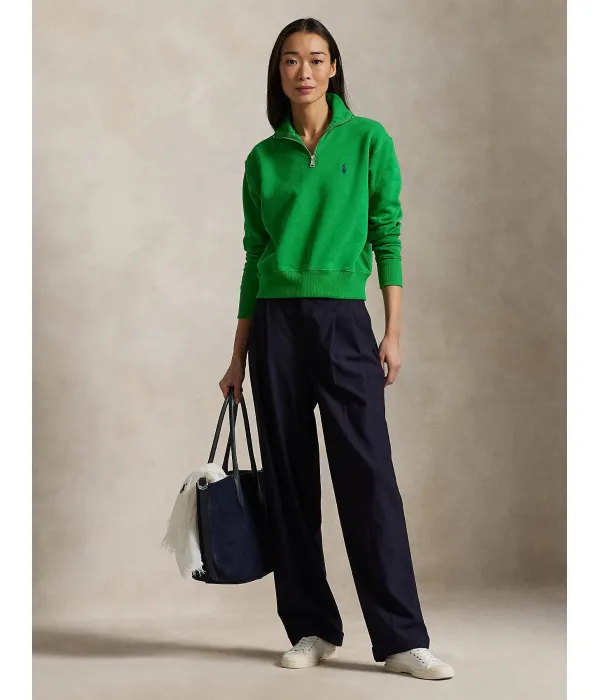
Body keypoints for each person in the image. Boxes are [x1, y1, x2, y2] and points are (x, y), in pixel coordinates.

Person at [219, 17, 455, 681]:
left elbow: (387, 233)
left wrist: (393, 330)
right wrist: (237, 356)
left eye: (316, 59)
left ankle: (401, 638)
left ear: (333, 68)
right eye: (291, 60)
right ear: (279, 72)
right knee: (289, 482)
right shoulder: (262, 159)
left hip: (344, 323)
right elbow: (254, 258)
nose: (304, 71)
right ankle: (311, 627)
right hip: (275, 327)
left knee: (368, 477)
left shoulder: (369, 139)